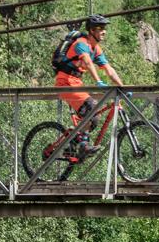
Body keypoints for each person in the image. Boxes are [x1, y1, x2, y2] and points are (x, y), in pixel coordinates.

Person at [51, 14, 124, 154]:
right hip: (65, 82)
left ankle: (74, 142)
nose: (104, 31)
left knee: (95, 116)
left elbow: (109, 69)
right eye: (100, 28)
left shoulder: (96, 49)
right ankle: (83, 144)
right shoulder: (81, 44)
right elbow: (88, 63)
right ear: (91, 30)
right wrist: (98, 82)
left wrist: (122, 87)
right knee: (92, 107)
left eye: (105, 28)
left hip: (76, 83)